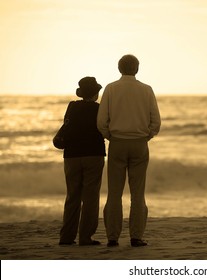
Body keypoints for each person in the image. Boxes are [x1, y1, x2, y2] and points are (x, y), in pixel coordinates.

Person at [97, 54, 161, 247]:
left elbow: (101, 121)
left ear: (119, 68)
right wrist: (147, 135)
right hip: (139, 143)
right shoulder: (146, 89)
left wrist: (110, 136)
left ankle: (113, 237)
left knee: (114, 193)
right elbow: (156, 122)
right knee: (138, 192)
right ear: (137, 68)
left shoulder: (110, 88)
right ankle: (136, 236)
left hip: (117, 143)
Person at [59, 77, 106, 246]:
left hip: (72, 156)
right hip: (93, 155)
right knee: (90, 197)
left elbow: (67, 126)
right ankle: (85, 237)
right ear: (95, 93)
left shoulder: (72, 106)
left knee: (72, 196)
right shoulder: (99, 109)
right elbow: (104, 129)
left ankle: (66, 237)